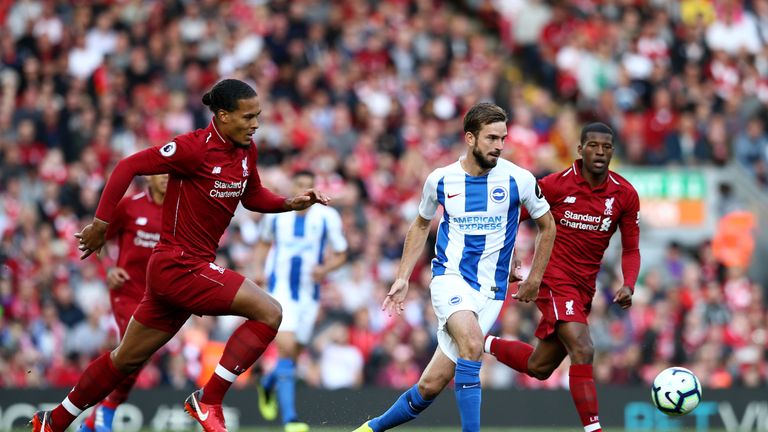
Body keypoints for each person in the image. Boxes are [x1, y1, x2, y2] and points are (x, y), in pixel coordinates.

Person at [30, 78, 330, 432]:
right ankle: (209, 400)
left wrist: (288, 203)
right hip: (179, 264)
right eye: (248, 117)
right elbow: (128, 165)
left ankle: (54, 420)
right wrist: (100, 223)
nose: (256, 124)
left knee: (124, 359)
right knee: (269, 312)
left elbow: (252, 196)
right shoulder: (193, 149)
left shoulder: (247, 151)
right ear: (222, 116)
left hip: (183, 270)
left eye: (257, 116)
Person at [353, 102, 556, 432]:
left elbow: (547, 226)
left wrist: (535, 276)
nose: (499, 145)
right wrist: (403, 276)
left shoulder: (518, 179)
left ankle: (370, 428)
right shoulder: (441, 180)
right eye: (491, 138)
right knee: (473, 346)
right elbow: (420, 225)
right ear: (470, 138)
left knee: (430, 386)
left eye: (503, 138)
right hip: (451, 279)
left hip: (492, 292)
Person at [485, 122, 640, 432]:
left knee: (539, 367)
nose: (600, 152)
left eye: (606, 147)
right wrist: (510, 255)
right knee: (583, 348)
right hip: (553, 279)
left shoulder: (625, 194)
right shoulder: (555, 185)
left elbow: (631, 248)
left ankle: (481, 342)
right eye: (593, 146)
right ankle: (594, 429)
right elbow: (512, 216)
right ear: (580, 150)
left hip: (583, 288)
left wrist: (629, 283)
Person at [252, 170, 348, 432]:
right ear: (293, 187)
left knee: (294, 353)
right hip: (279, 290)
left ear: (314, 189)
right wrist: (257, 268)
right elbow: (262, 244)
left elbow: (341, 254)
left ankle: (268, 383)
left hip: (309, 295)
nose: (304, 190)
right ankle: (291, 419)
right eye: (299, 185)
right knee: (286, 348)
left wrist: (324, 270)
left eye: (309, 185)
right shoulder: (277, 215)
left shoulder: (327, 217)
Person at [80, 174, 168, 432]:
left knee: (137, 355)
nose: (166, 178)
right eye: (160, 173)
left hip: (159, 297)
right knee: (135, 351)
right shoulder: (129, 206)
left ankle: (90, 421)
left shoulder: (179, 208)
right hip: (126, 291)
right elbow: (98, 239)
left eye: (170, 174)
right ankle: (106, 410)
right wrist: (108, 268)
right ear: (149, 178)